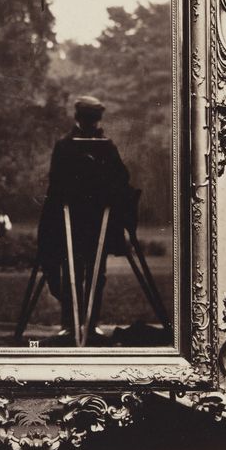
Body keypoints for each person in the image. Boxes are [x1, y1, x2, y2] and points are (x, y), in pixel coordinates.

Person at [37, 96, 140, 344]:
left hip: (97, 221)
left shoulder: (107, 146)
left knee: (97, 273)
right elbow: (56, 182)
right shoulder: (65, 146)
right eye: (88, 119)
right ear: (78, 118)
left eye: (95, 119)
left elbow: (121, 177)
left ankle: (91, 324)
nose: (92, 123)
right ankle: (69, 324)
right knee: (71, 272)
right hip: (70, 220)